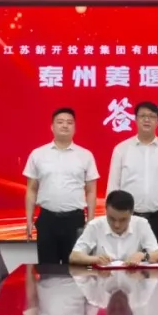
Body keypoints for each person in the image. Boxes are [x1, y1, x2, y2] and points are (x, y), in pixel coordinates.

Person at [24, 107, 98, 265]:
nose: (65, 125)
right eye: (60, 122)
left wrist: (90, 221)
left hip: (75, 221)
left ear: (75, 128)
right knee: (47, 270)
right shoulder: (38, 154)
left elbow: (91, 191)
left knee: (76, 269)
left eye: (69, 122)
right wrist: (29, 219)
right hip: (47, 220)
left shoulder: (85, 155)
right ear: (52, 127)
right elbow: (31, 189)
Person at [106, 101, 158, 253]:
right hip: (128, 218)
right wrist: (111, 217)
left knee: (156, 262)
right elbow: (113, 186)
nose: (147, 120)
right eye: (142, 116)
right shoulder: (122, 149)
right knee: (128, 262)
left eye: (151, 116)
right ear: (135, 119)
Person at [68, 190, 158, 266]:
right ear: (106, 210)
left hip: (132, 280)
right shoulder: (95, 226)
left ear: (132, 213)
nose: (117, 225)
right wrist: (95, 259)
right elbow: (74, 256)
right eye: (112, 219)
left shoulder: (141, 224)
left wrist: (143, 256)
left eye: (123, 220)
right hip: (102, 281)